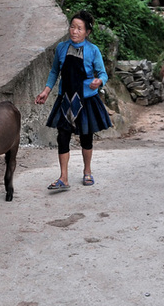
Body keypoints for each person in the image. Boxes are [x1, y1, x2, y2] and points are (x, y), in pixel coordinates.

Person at [35, 10, 112, 190]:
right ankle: (64, 177)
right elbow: (55, 71)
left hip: (86, 100)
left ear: (87, 32)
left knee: (86, 138)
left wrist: (98, 81)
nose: (74, 31)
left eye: (79, 28)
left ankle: (87, 171)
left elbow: (102, 74)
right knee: (62, 137)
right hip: (66, 100)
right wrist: (46, 91)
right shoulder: (62, 48)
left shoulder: (93, 51)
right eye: (72, 27)